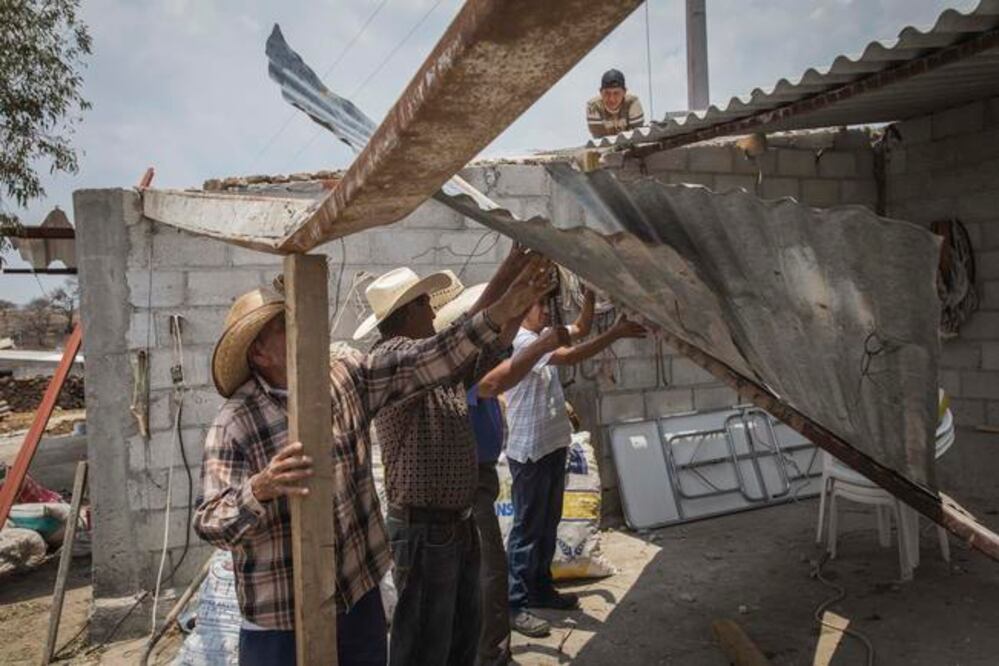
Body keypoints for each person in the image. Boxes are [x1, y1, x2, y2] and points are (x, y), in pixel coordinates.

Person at [193, 255, 554, 666]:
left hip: (355, 592)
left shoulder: (343, 377)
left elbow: (429, 358)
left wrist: (502, 311)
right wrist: (261, 488)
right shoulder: (236, 423)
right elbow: (211, 522)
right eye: (282, 326)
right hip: (281, 616)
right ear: (259, 353)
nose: (299, 328)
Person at [366, 248, 549, 666]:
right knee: (424, 647)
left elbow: (491, 345)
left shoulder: (436, 362)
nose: (433, 312)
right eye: (426, 305)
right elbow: (466, 334)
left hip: (454, 524)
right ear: (408, 312)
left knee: (461, 639)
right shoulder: (393, 359)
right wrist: (510, 273)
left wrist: (517, 300)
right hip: (424, 529)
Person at [431, 256, 571, 666]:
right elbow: (500, 377)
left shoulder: (472, 358)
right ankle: (493, 653)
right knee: (492, 572)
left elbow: (501, 344)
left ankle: (491, 647)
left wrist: (521, 281)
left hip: (484, 474)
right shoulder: (460, 369)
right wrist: (539, 334)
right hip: (469, 480)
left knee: (493, 566)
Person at [505, 294, 646, 637]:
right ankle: (515, 604)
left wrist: (588, 295)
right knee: (528, 529)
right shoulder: (525, 342)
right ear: (523, 311)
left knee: (547, 525)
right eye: (539, 306)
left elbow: (580, 329)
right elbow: (570, 355)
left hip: (551, 445)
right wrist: (614, 333)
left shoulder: (540, 337)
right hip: (531, 452)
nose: (546, 312)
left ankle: (540, 589)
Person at [586, 68, 645, 139]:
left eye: (616, 93)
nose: (612, 99)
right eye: (607, 93)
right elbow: (600, 140)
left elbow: (637, 136)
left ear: (624, 92)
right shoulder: (593, 106)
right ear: (600, 92)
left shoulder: (632, 103)